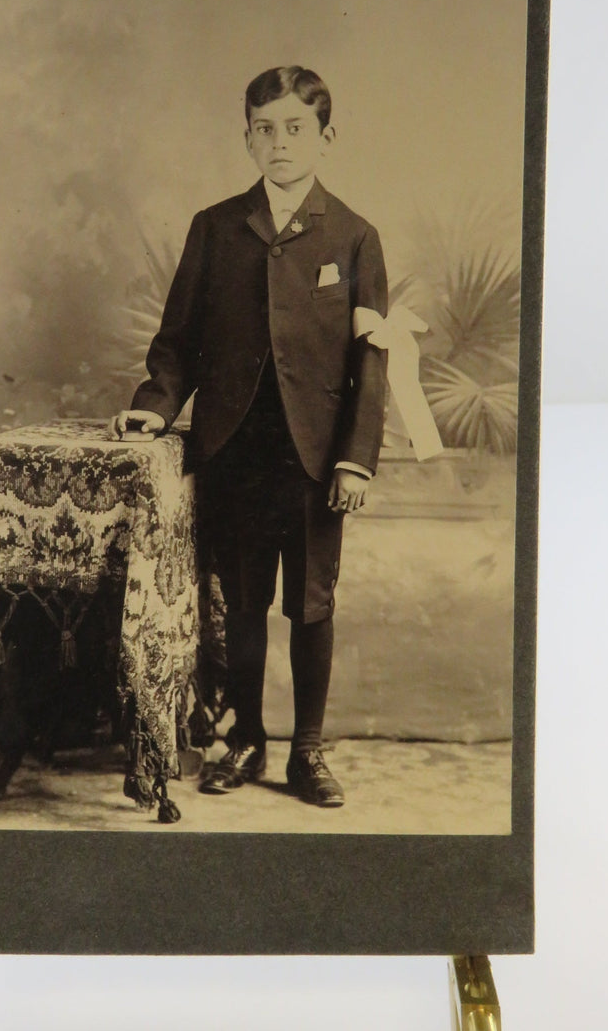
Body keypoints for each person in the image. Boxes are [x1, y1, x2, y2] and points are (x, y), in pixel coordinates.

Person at [110, 66, 387, 808]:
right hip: (233, 451)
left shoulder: (356, 237)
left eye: (295, 128)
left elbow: (371, 358)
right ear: (246, 139)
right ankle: (245, 738)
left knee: (312, 604)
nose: (280, 143)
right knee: (240, 603)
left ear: (326, 137)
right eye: (265, 129)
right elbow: (177, 342)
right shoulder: (216, 226)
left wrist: (356, 460)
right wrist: (155, 406)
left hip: (315, 458)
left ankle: (307, 752)